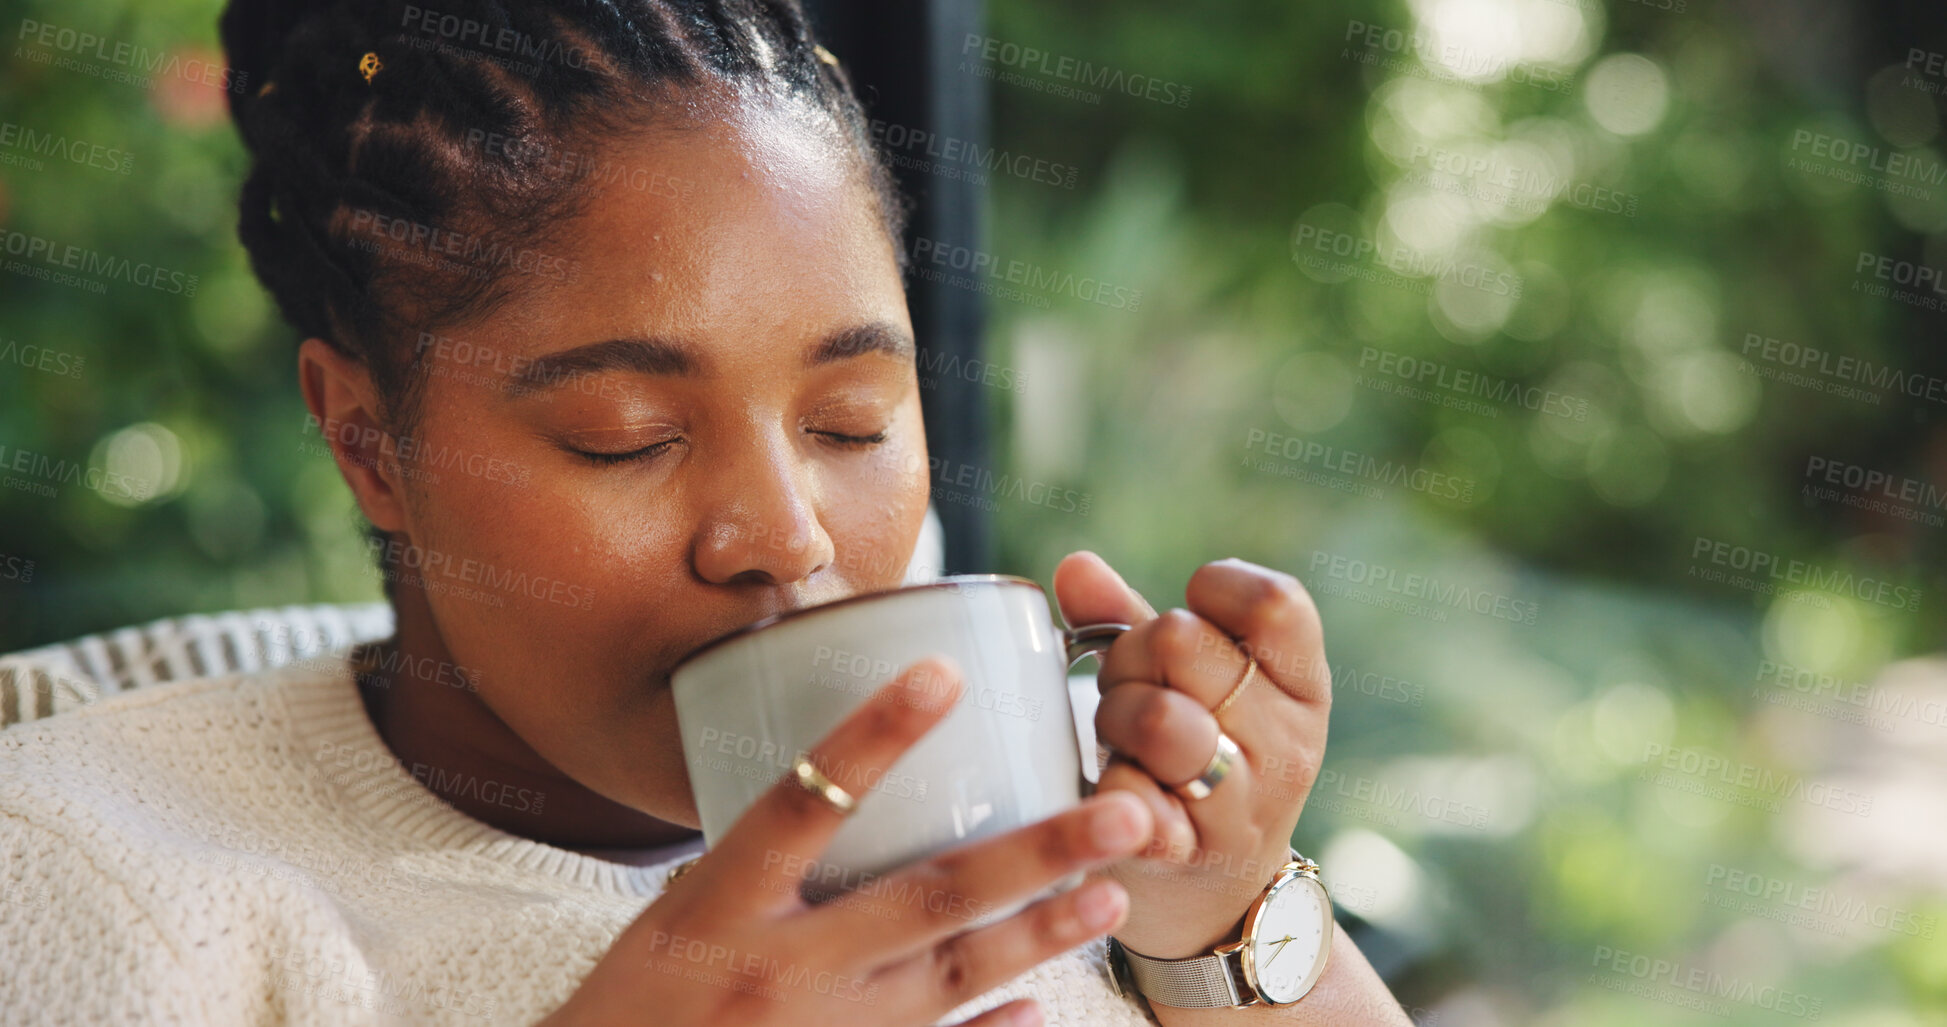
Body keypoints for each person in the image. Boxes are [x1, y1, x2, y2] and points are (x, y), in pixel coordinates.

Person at [0, 1, 1412, 1024]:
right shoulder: (103, 879)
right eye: (631, 439)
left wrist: (1216, 920)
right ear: (368, 439)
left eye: (851, 421)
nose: (786, 535)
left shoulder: (1027, 803)